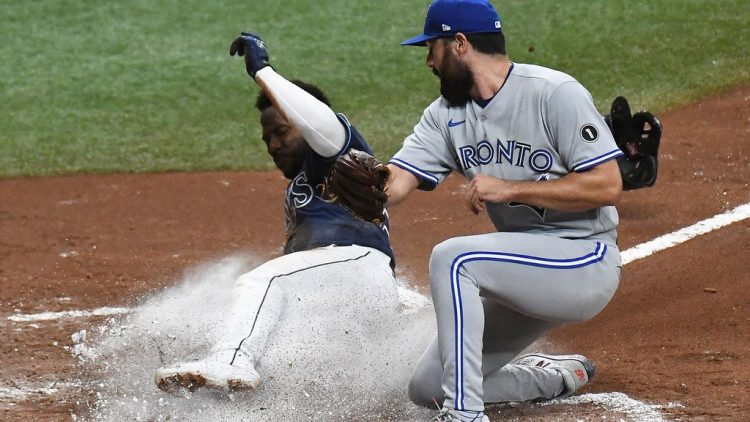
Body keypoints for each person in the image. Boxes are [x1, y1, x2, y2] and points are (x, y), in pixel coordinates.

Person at [383, 1, 625, 420]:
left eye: (432, 48)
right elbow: (395, 183)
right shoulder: (445, 116)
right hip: (521, 270)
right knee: (426, 388)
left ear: (459, 44)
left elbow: (608, 185)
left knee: (454, 257)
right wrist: (356, 179)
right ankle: (555, 378)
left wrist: (511, 188)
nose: (428, 61)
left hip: (584, 261)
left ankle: (465, 414)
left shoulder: (553, 93)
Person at [153, 32, 398, 394]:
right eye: (267, 138)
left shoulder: (337, 151)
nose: (273, 144)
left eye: (282, 132)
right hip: (347, 294)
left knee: (259, 282)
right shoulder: (299, 188)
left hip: (357, 266)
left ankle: (230, 358)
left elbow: (323, 123)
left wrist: (263, 72)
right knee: (278, 355)